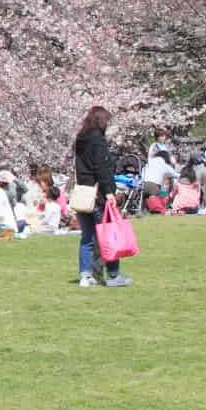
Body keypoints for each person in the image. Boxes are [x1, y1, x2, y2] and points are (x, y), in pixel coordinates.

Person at [74, 104, 129, 287]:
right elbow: (102, 168)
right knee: (108, 235)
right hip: (98, 195)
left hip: (84, 193)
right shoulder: (98, 141)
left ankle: (85, 275)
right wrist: (109, 192)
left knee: (87, 237)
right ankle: (113, 274)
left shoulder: (80, 141)